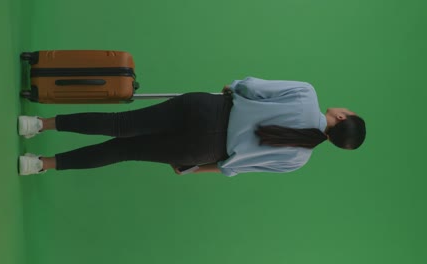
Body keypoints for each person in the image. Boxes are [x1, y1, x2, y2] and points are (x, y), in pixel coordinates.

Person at [18, 77, 366, 176]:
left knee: (121, 123)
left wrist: (234, 87)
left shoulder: (307, 93)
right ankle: (40, 164)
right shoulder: (298, 160)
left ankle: (38, 123)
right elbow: (235, 168)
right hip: (202, 151)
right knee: (124, 150)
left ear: (341, 119)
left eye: (347, 112)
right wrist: (194, 168)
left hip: (207, 110)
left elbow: (249, 85)